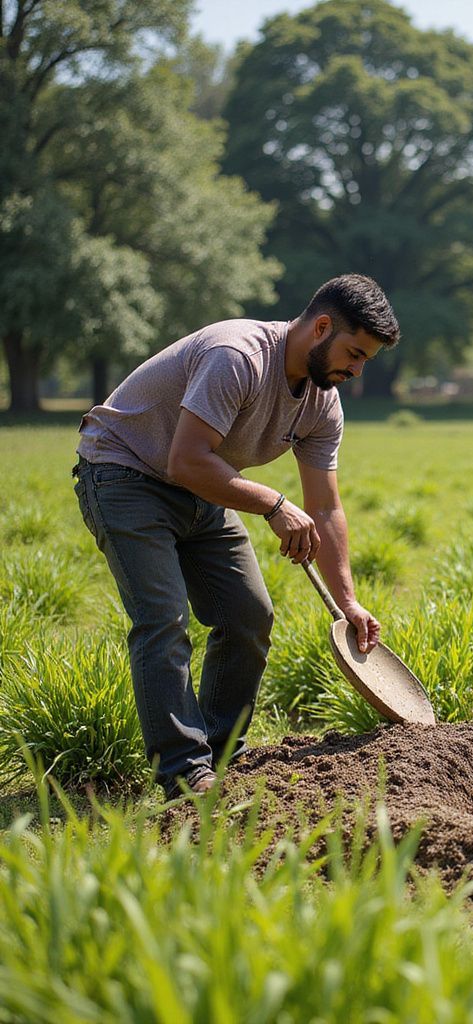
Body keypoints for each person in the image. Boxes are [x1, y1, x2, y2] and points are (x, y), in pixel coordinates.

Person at [73, 274, 399, 797]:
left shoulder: (323, 403)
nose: (357, 371)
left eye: (366, 361)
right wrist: (272, 503)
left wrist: (349, 602)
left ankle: (219, 757)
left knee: (248, 614)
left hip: (201, 485)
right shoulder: (238, 355)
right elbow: (184, 459)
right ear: (320, 327)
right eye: (354, 354)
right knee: (163, 619)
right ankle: (184, 773)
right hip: (123, 472)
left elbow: (325, 505)